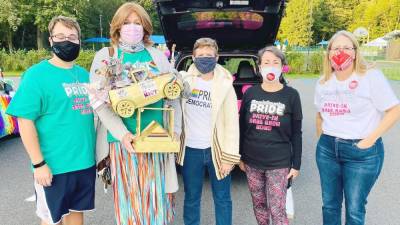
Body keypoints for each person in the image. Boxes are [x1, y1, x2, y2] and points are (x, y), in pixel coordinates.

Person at [89, 2, 179, 225]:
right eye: (127, 22)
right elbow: (99, 103)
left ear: (145, 27)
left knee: (158, 201)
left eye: (137, 23)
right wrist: (122, 134)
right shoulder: (106, 56)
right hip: (123, 143)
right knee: (130, 204)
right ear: (117, 27)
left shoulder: (157, 56)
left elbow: (172, 95)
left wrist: (174, 130)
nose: (132, 27)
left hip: (155, 139)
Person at [6, 16, 96, 225]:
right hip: (54, 167)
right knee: (51, 220)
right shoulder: (36, 75)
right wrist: (39, 164)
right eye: (61, 36)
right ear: (51, 40)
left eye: (72, 36)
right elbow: (25, 122)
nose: (67, 41)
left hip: (84, 164)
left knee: (77, 214)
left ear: (79, 41)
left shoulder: (83, 75)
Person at [315, 30, 400, 225]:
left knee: (354, 208)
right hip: (328, 150)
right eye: (336, 48)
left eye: (346, 47)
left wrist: (368, 141)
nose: (340, 52)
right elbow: (319, 114)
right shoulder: (323, 82)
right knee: (329, 205)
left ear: (355, 52)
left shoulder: (370, 77)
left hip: (361, 153)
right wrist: (322, 139)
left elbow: (394, 110)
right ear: (328, 53)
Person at [176, 37, 241, 225]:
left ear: (217, 57)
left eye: (209, 55)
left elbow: (231, 123)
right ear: (194, 57)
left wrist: (229, 157)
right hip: (190, 150)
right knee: (191, 198)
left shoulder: (226, 85)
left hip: (217, 150)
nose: (205, 58)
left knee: (222, 198)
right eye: (201, 55)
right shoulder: (184, 81)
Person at [239, 46, 303, 225]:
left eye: (276, 62)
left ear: (282, 66)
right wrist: (240, 157)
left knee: (277, 208)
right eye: (266, 62)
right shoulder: (250, 93)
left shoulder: (291, 95)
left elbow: (297, 132)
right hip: (252, 161)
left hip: (279, 162)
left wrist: (296, 164)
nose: (271, 66)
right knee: (259, 204)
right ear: (259, 67)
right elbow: (242, 127)